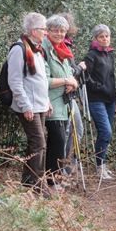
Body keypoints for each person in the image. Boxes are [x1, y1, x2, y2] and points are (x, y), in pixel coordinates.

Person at [8, 12, 51, 189]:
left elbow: (41, 79)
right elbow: (15, 81)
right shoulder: (19, 49)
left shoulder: (37, 50)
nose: (46, 32)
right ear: (33, 31)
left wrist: (47, 101)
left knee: (39, 143)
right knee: (38, 143)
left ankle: (28, 183)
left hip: (40, 105)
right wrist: (25, 105)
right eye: (43, 29)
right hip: (28, 106)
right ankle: (36, 184)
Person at [43, 15, 78, 186]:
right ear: (47, 31)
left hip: (63, 103)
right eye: (55, 30)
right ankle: (51, 181)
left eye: (62, 30)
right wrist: (66, 81)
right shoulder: (44, 49)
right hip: (50, 102)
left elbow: (69, 73)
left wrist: (72, 82)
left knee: (60, 141)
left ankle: (55, 178)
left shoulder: (62, 49)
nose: (59, 33)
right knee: (57, 140)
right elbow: (44, 79)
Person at [83, 24, 116, 179]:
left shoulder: (109, 54)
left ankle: (102, 164)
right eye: (101, 36)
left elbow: (112, 78)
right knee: (105, 131)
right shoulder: (91, 55)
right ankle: (99, 167)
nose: (105, 39)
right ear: (95, 38)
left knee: (107, 134)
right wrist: (99, 87)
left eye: (107, 36)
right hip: (96, 99)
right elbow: (86, 77)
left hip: (110, 100)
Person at [59, 13, 85, 174]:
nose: (62, 31)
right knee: (67, 131)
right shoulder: (57, 46)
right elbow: (69, 71)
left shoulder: (67, 45)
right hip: (62, 95)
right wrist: (80, 68)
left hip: (70, 94)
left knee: (77, 130)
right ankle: (61, 167)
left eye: (65, 27)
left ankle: (69, 164)